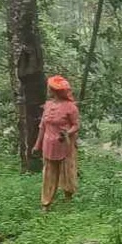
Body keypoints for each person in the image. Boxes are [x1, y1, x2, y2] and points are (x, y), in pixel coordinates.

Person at [34, 75, 80, 211]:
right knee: (48, 174)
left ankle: (68, 200)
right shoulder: (48, 105)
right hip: (49, 144)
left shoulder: (71, 107)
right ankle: (46, 203)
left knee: (67, 173)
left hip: (65, 145)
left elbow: (76, 125)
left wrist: (68, 133)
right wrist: (37, 145)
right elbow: (42, 126)